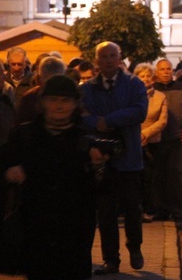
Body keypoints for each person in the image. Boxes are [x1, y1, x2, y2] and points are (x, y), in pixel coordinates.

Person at [0, 75, 107, 280]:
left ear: (76, 104)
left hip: (73, 231)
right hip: (33, 229)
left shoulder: (85, 139)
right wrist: (9, 173)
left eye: (65, 100)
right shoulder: (24, 135)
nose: (59, 106)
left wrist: (98, 167)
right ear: (43, 103)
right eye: (53, 100)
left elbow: (102, 190)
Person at [80, 42, 148, 275]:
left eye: (112, 56)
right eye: (104, 57)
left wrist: (108, 120)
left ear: (119, 58)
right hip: (103, 159)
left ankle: (135, 247)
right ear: (97, 60)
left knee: (132, 209)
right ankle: (111, 259)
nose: (108, 60)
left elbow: (139, 111)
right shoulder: (88, 88)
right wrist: (95, 123)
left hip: (129, 158)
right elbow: (81, 114)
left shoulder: (134, 84)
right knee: (106, 212)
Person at [152, 58, 182, 221]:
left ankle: (176, 209)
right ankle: (161, 209)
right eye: (162, 69)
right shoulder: (152, 89)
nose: (166, 72)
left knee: (176, 174)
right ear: (157, 72)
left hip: (177, 139)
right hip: (156, 139)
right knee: (159, 175)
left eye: (168, 69)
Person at [134, 63, 168, 222]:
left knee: (151, 177)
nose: (146, 79)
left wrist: (146, 133)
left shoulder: (160, 97)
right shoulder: (131, 95)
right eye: (142, 76)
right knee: (136, 177)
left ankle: (150, 209)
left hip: (153, 141)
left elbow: (162, 121)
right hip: (134, 140)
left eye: (148, 76)